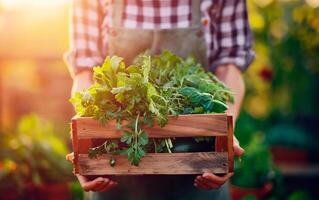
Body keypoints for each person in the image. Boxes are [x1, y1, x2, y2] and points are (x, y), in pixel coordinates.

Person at [65, 0, 255, 199]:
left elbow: (229, 67)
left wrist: (225, 131)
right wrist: (84, 143)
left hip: (200, 171)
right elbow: (85, 73)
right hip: (116, 173)